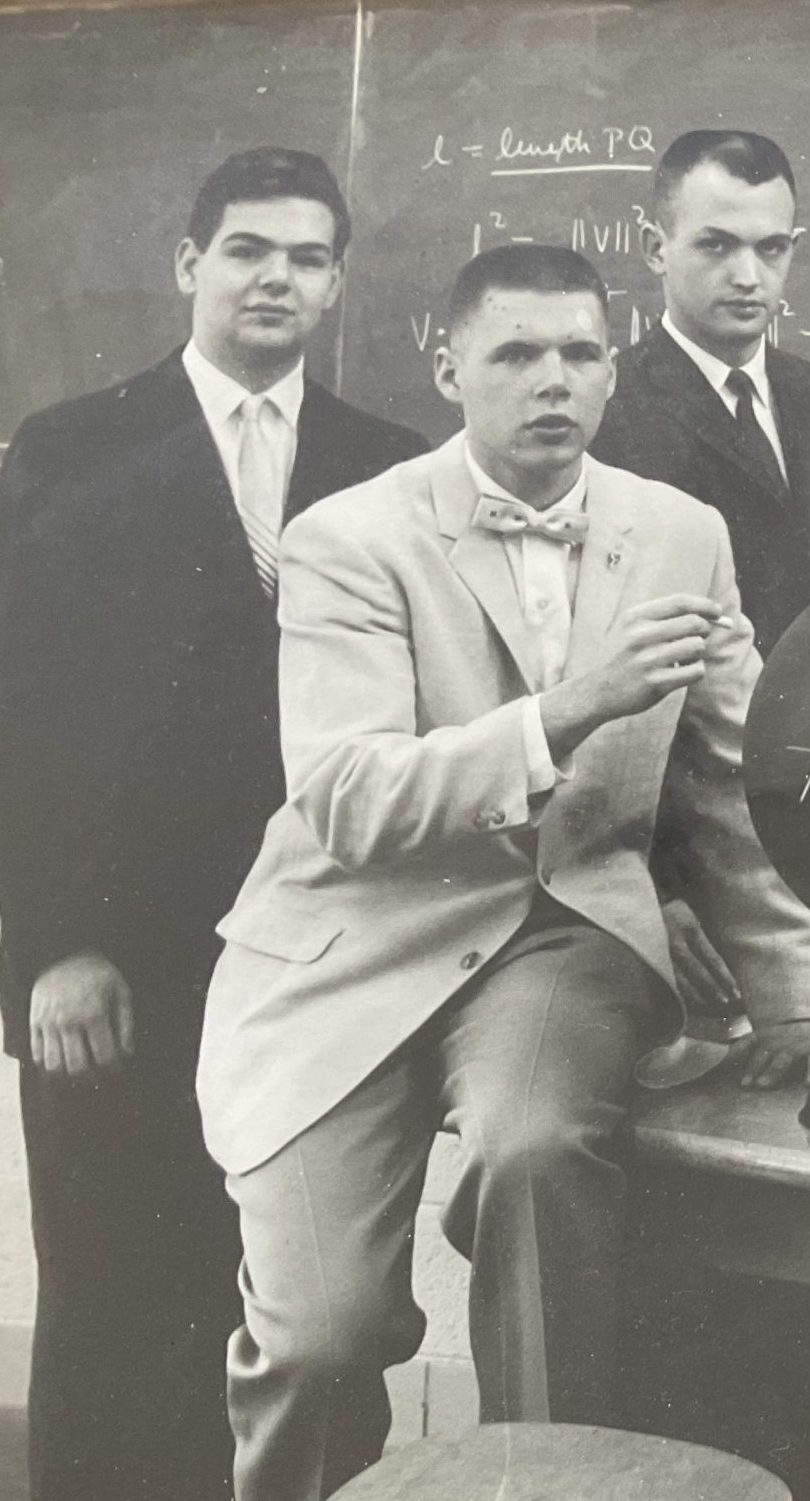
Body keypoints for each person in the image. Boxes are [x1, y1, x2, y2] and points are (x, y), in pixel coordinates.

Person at [195, 244, 810, 1501]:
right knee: (321, 1335)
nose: (555, 382)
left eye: (581, 354)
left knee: (536, 1148)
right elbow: (346, 799)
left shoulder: (680, 532)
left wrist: (801, 988)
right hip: (346, 951)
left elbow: (731, 783)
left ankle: (560, 1481)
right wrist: (573, 708)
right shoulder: (348, 536)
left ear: (613, 370)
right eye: (516, 355)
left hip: (562, 927)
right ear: (449, 371)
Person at [0, 147, 425, 1501]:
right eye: (248, 249)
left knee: (307, 1318)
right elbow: (18, 713)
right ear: (191, 264)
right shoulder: (71, 447)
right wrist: (48, 946)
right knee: (114, 1308)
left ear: (339, 283)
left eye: (306, 257)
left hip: (319, 976)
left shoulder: (391, 467)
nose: (276, 279)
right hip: (114, 970)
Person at [591, 128, 810, 1013]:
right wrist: (651, 886)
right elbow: (590, 677)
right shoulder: (605, 415)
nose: (747, 276)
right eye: (715, 245)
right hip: (682, 876)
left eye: (770, 248)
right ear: (656, 249)